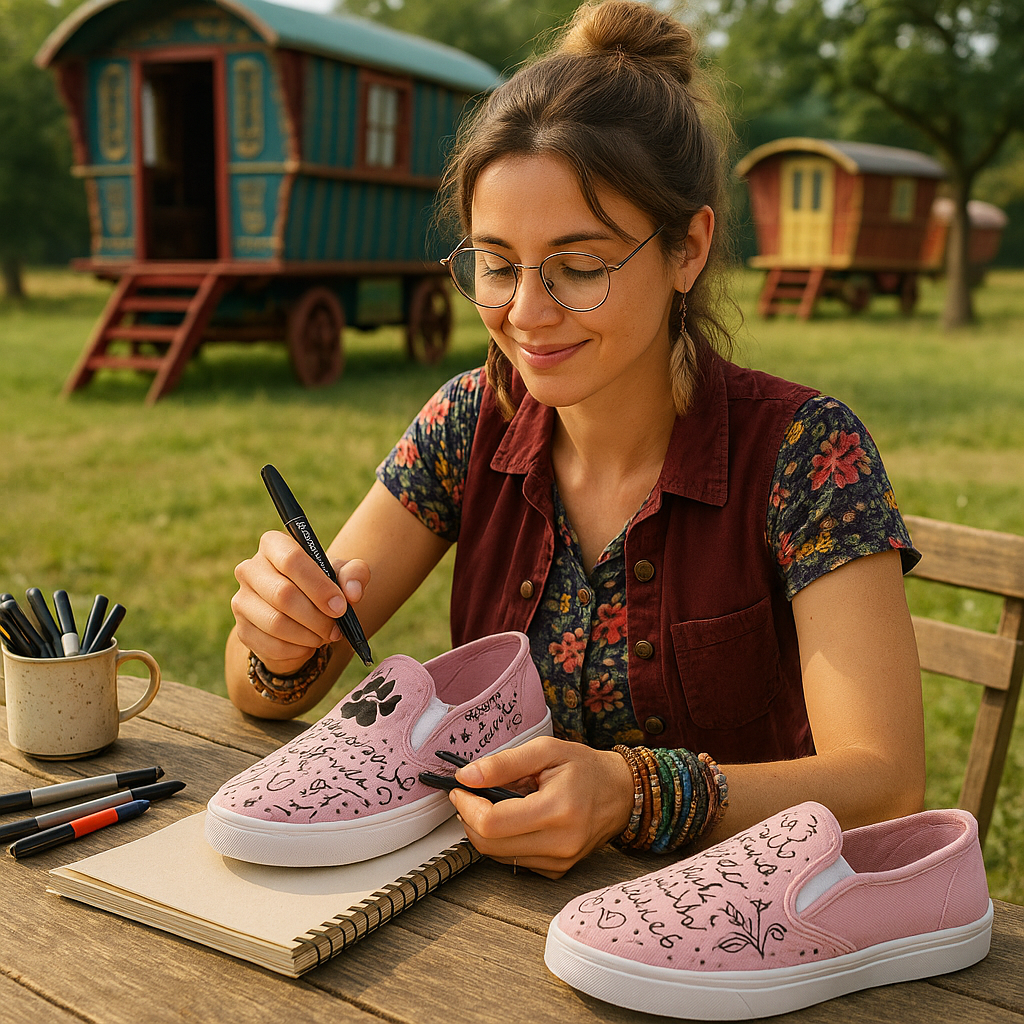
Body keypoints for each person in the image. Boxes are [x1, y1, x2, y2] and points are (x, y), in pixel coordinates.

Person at [226, 0, 925, 878]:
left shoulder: (804, 455)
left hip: (731, 938)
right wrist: (282, 643)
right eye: (496, 263)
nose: (525, 313)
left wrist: (635, 794)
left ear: (688, 249)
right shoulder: (468, 424)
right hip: (479, 928)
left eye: (580, 266)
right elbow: (258, 688)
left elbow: (887, 782)